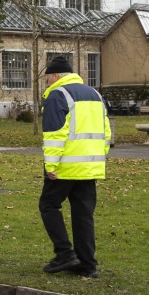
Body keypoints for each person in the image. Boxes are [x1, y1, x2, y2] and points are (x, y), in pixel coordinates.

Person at [39, 55, 112, 278]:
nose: (47, 82)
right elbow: (106, 132)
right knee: (83, 215)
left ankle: (64, 254)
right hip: (90, 166)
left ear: (55, 76)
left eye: (47, 78)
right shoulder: (95, 95)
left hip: (65, 167)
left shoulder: (58, 95)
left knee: (48, 205)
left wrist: (51, 165)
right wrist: (98, 157)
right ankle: (87, 265)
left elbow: (55, 134)